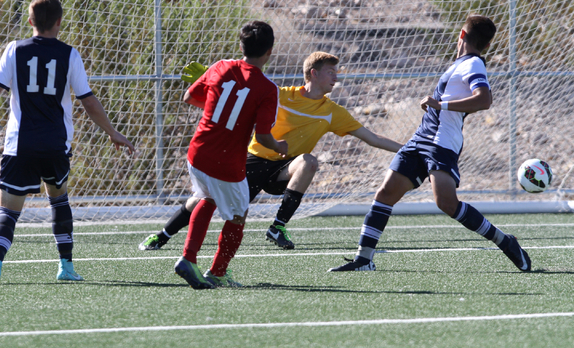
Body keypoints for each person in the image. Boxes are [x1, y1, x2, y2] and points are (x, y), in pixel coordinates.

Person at [139, 51, 402, 252]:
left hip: (284, 169)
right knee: (205, 200)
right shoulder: (280, 95)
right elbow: (238, 94)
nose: (336, 77)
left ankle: (277, 227)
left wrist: (408, 150)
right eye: (331, 72)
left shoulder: (334, 112)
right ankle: (163, 235)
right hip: (252, 161)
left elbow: (372, 137)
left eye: (337, 72)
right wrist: (208, 77)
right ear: (313, 73)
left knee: (309, 162)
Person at [329, 14, 532, 273]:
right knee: (385, 193)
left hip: (442, 143)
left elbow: (484, 100)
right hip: (420, 138)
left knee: (446, 204)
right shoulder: (459, 64)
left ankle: (505, 242)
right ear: (488, 45)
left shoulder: (473, 65)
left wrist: (440, 104)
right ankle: (364, 258)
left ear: (461, 34)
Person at [0, 0, 135, 284]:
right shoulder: (69, 54)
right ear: (59, 22)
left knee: (8, 211)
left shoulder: (14, 50)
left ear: (30, 21)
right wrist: (112, 132)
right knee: (59, 201)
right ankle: (66, 266)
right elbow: (88, 101)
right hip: (55, 145)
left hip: (20, 145)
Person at [173, 20, 287, 289]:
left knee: (207, 197)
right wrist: (280, 147)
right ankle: (218, 272)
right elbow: (262, 137)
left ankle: (189, 259)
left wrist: (217, 108)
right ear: (270, 51)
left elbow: (190, 96)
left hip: (198, 153)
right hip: (226, 161)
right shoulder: (267, 89)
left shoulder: (221, 66)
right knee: (238, 215)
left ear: (241, 46)